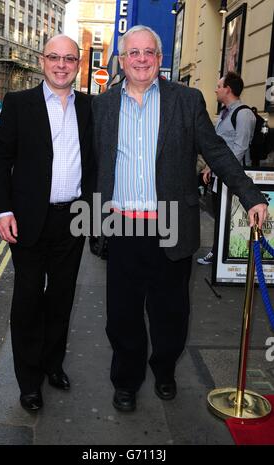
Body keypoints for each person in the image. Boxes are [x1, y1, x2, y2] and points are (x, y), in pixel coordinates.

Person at [92, 25, 267, 412]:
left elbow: (217, 151)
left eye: (148, 52)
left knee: (171, 313)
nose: (140, 59)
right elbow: (92, 164)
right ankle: (126, 380)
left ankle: (165, 368)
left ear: (159, 59)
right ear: (123, 60)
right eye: (133, 53)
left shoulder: (186, 101)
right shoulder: (103, 105)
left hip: (170, 224)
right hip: (120, 226)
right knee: (122, 316)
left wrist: (250, 195)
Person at [0, 35, 95, 411]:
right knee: (28, 301)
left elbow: (96, 163)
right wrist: (3, 211)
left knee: (62, 298)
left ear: (78, 64)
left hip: (73, 219)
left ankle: (53, 365)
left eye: (69, 59)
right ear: (42, 60)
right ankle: (28, 380)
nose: (62, 64)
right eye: (55, 57)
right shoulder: (20, 104)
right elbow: (1, 158)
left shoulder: (89, 106)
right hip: (29, 220)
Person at [197, 71, 256, 265]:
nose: (216, 90)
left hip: (233, 177)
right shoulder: (225, 113)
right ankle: (218, 253)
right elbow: (218, 146)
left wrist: (218, 168)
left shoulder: (244, 114)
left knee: (230, 217)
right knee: (220, 216)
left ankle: (224, 255)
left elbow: (240, 147)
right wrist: (209, 167)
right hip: (220, 176)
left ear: (228, 90)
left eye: (219, 86)